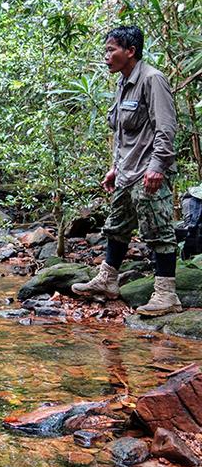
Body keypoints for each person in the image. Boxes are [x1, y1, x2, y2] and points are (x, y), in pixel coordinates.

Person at [73, 26, 182, 316]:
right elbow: (123, 135)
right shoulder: (123, 83)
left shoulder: (152, 79)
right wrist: (114, 168)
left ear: (130, 51)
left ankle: (166, 294)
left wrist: (157, 166)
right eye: (106, 50)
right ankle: (108, 280)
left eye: (111, 50)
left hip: (148, 171)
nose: (106, 56)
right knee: (117, 227)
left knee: (159, 232)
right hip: (126, 172)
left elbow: (166, 128)